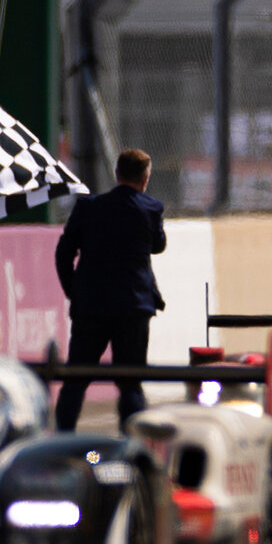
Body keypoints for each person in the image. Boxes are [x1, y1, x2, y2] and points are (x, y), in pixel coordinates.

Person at [52, 147, 169, 432]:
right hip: (133, 307)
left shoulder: (88, 207)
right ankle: (130, 444)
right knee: (130, 383)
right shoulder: (151, 208)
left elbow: (63, 253)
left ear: (117, 174)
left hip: (91, 307)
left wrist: (74, 291)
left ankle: (63, 442)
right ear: (145, 178)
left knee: (76, 379)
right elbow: (158, 245)